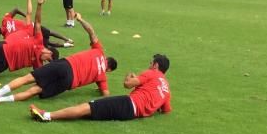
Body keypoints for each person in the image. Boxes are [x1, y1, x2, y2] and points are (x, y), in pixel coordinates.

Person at [0, 12, 116, 103]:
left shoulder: (99, 50)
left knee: (27, 78)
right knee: (36, 90)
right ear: (108, 69)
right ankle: (0, 100)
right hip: (69, 81)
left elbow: (91, 31)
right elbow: (106, 95)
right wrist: (99, 90)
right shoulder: (102, 77)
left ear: (106, 58)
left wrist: (80, 19)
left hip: (65, 64)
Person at [30, 54, 171, 122]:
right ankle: (52, 115)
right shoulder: (166, 89)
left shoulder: (152, 73)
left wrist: (129, 76)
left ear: (156, 66)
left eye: (150, 63)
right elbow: (165, 110)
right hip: (131, 114)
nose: (149, 65)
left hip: (128, 103)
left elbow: (128, 85)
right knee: (90, 112)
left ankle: (47, 115)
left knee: (88, 107)